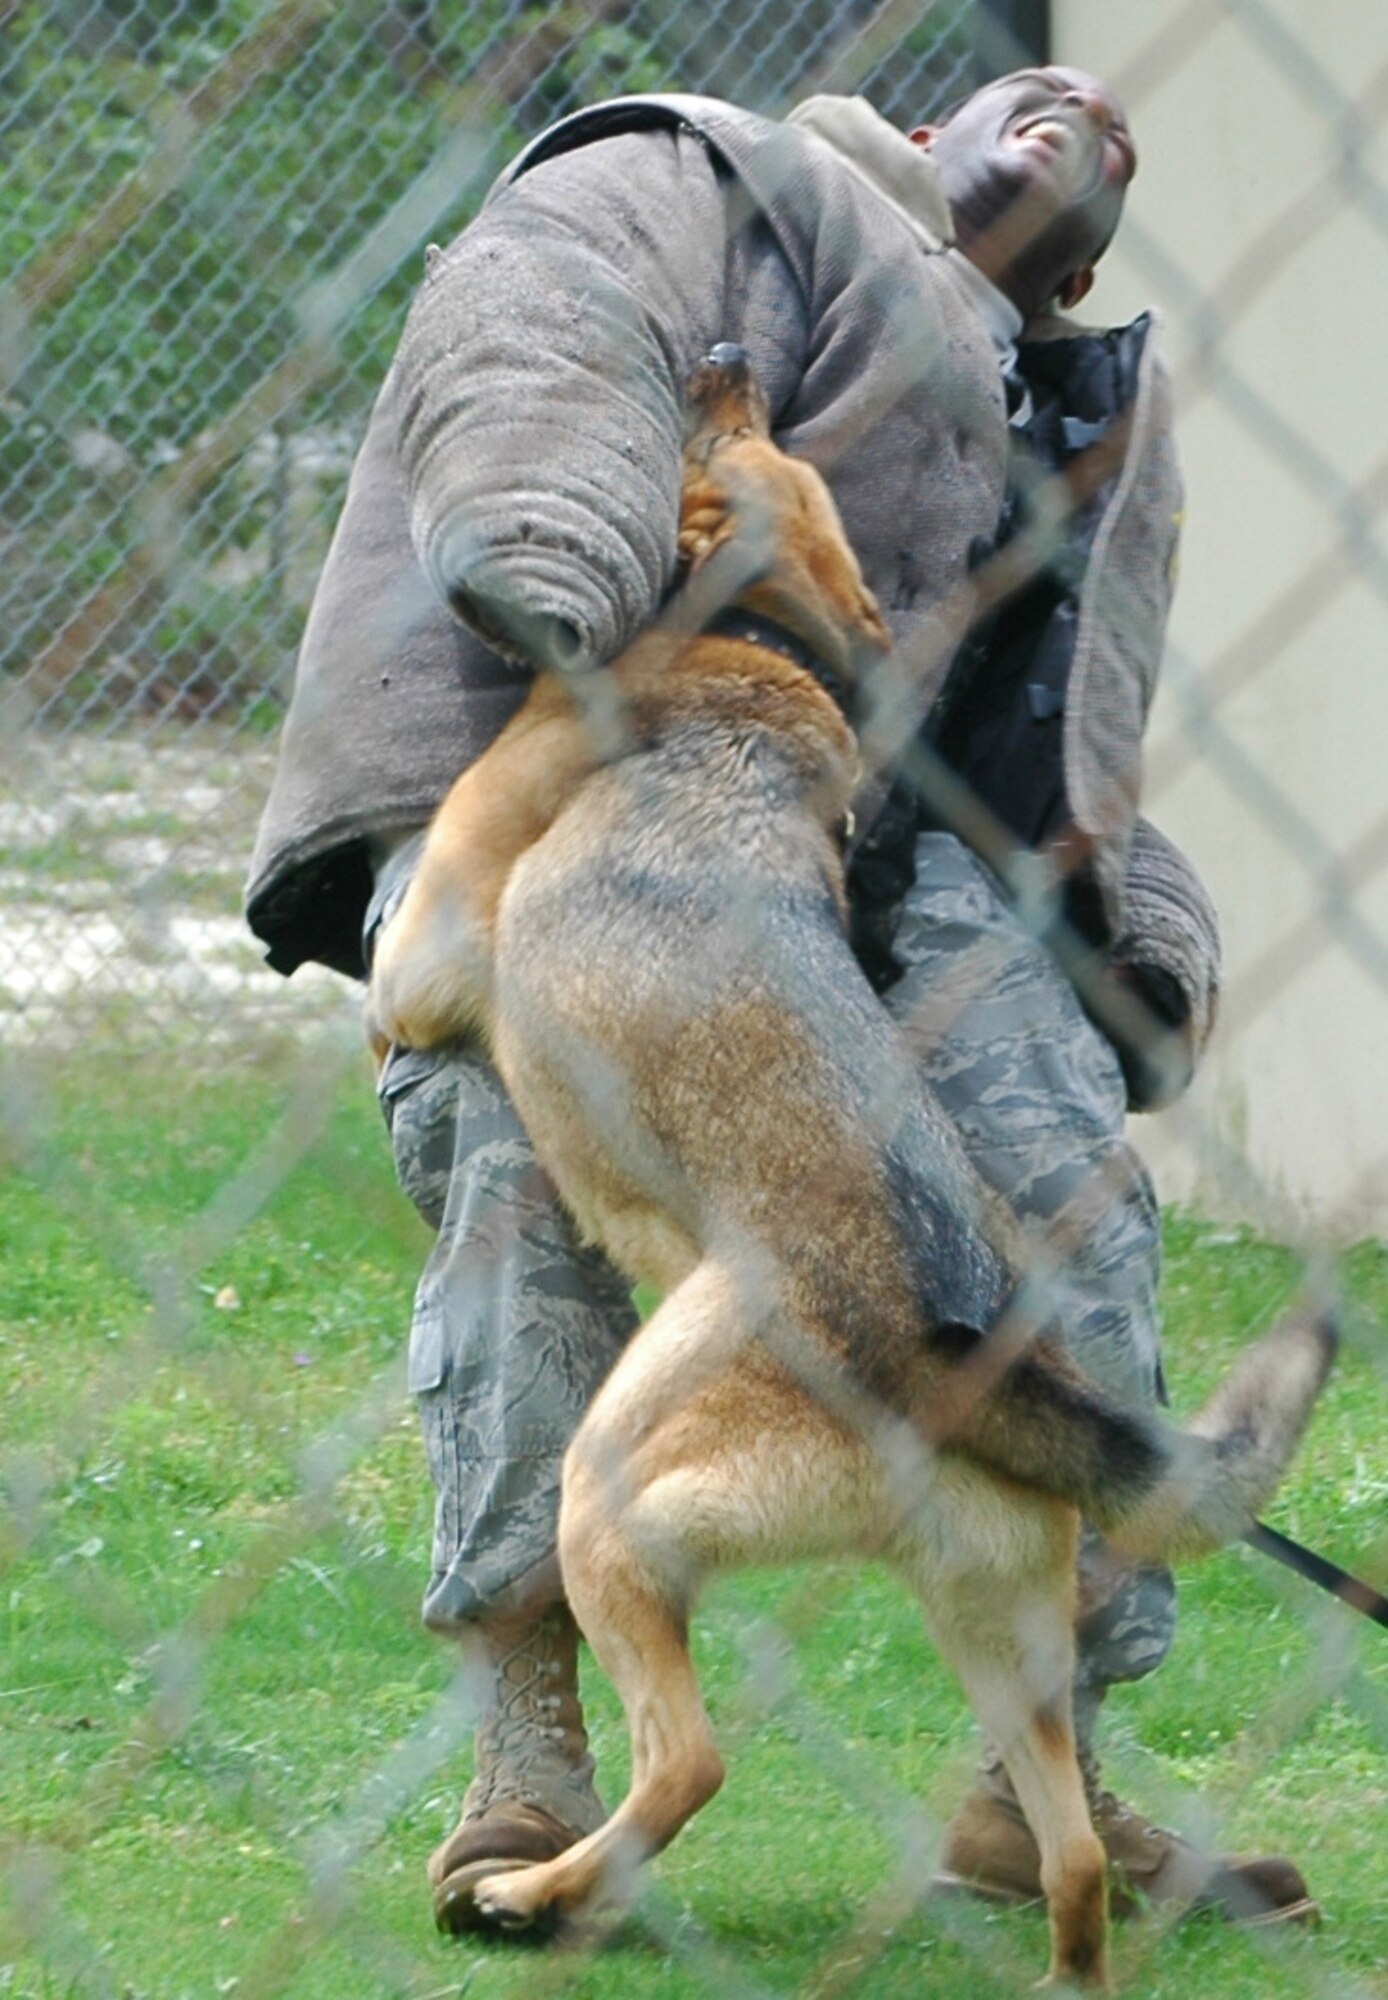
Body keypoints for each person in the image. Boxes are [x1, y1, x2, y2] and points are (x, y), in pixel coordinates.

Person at [246, 66, 1315, 1933]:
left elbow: (1099, 745)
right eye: (1035, 89)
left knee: (1061, 1171)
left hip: (879, 860)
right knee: (520, 1163)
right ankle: (530, 1747)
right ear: (913, 125)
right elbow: (542, 332)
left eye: (1123, 149)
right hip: (598, 786)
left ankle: (1040, 1782)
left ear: (1080, 275)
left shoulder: (1094, 401)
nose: (1095, 101)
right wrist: (558, 552)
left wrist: (1137, 937)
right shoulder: (731, 177)